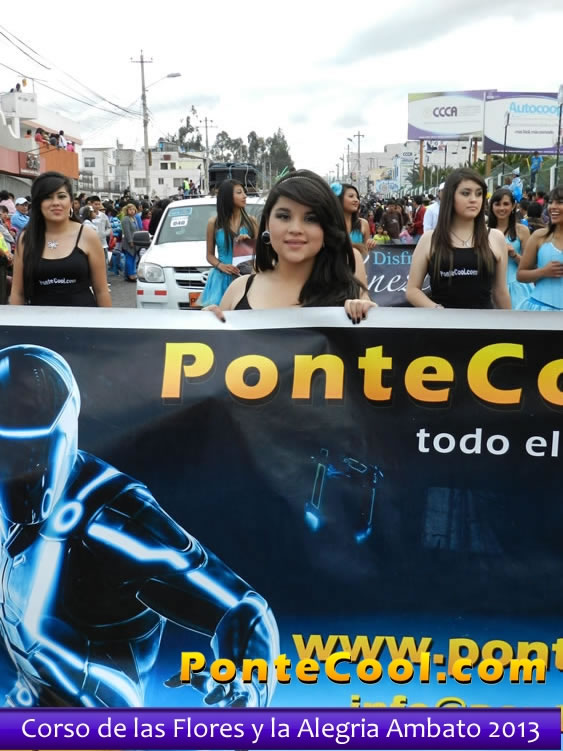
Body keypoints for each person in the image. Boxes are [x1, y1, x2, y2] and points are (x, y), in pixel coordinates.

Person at [0, 344, 279, 707]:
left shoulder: (112, 518)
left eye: (26, 452)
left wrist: (244, 683)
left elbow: (243, 607)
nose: (16, 471)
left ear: (60, 435)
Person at [204, 169, 376, 324]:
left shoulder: (351, 293)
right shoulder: (238, 290)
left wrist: (370, 317)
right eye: (284, 216)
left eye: (311, 219)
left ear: (327, 228)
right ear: (267, 223)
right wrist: (205, 326)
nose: (295, 229)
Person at [406, 167, 511, 309]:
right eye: (466, 193)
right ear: (451, 196)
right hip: (442, 321)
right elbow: (412, 290)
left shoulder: (495, 238)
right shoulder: (430, 239)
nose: (473, 199)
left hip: (484, 321)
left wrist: (509, 322)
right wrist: (437, 309)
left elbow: (500, 292)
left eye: (479, 194)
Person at [9, 171, 111, 307]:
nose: (56, 203)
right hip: (38, 319)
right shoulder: (26, 238)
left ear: (71, 201)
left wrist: (106, 320)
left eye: (61, 196)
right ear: (38, 203)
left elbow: (101, 291)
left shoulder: (88, 235)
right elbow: (17, 293)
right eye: (47, 197)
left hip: (84, 318)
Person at [200, 180, 258, 306]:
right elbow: (209, 255)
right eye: (239, 192)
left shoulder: (251, 222)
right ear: (227, 197)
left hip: (245, 277)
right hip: (221, 279)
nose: (245, 196)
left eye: (244, 192)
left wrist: (248, 243)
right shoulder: (214, 223)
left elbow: (261, 252)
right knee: (220, 315)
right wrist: (220, 265)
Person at [516, 186, 563, 310]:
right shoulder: (539, 236)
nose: (553, 207)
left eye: (560, 202)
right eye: (551, 202)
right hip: (540, 309)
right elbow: (520, 275)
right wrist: (543, 272)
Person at [487, 188, 532, 309]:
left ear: (513, 206)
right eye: (497, 204)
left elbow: (529, 266)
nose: (502, 208)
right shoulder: (483, 230)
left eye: (506, 204)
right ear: (491, 206)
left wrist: (514, 254)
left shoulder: (522, 230)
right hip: (489, 286)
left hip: (517, 288)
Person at [332, 183, 370, 256]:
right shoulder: (328, 223)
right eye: (351, 196)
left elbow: (366, 253)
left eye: (357, 197)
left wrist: (371, 245)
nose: (356, 200)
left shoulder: (363, 223)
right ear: (339, 199)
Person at [120, 202, 139, 281]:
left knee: (133, 258)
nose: (132, 211)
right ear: (127, 210)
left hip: (135, 241)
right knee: (129, 258)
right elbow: (127, 231)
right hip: (129, 242)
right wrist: (130, 241)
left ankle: (129, 274)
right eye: (130, 209)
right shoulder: (126, 219)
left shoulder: (134, 218)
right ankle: (130, 275)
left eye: (133, 209)